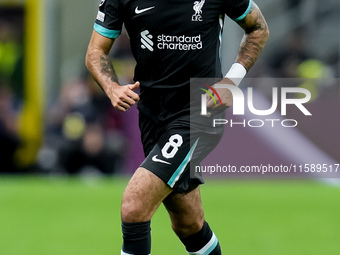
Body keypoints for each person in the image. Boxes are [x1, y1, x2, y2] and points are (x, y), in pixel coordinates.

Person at [85, 0, 269, 254]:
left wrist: (231, 81)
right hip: (152, 115)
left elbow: (258, 28)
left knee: (133, 206)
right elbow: (96, 51)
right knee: (188, 223)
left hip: (199, 112)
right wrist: (112, 86)